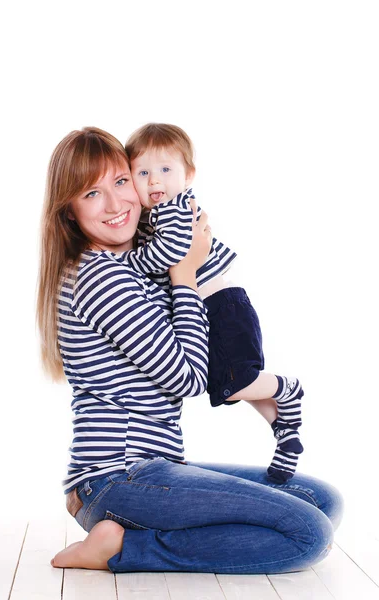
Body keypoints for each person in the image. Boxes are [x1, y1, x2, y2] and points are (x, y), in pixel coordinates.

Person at [37, 126, 343, 574]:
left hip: (149, 469)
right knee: (308, 535)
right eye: (91, 194)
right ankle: (124, 551)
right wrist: (185, 272)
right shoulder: (100, 278)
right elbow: (188, 378)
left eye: (122, 182)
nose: (115, 204)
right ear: (69, 211)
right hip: (119, 477)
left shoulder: (130, 262)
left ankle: (125, 533)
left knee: (321, 501)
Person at [124, 123, 303, 483]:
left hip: (221, 307)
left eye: (165, 170)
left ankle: (287, 389)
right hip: (212, 306)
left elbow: (174, 253)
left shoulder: (175, 209)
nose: (154, 181)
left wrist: (129, 264)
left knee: (231, 382)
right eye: (142, 172)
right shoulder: (151, 215)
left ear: (188, 176)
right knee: (223, 382)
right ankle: (285, 431)